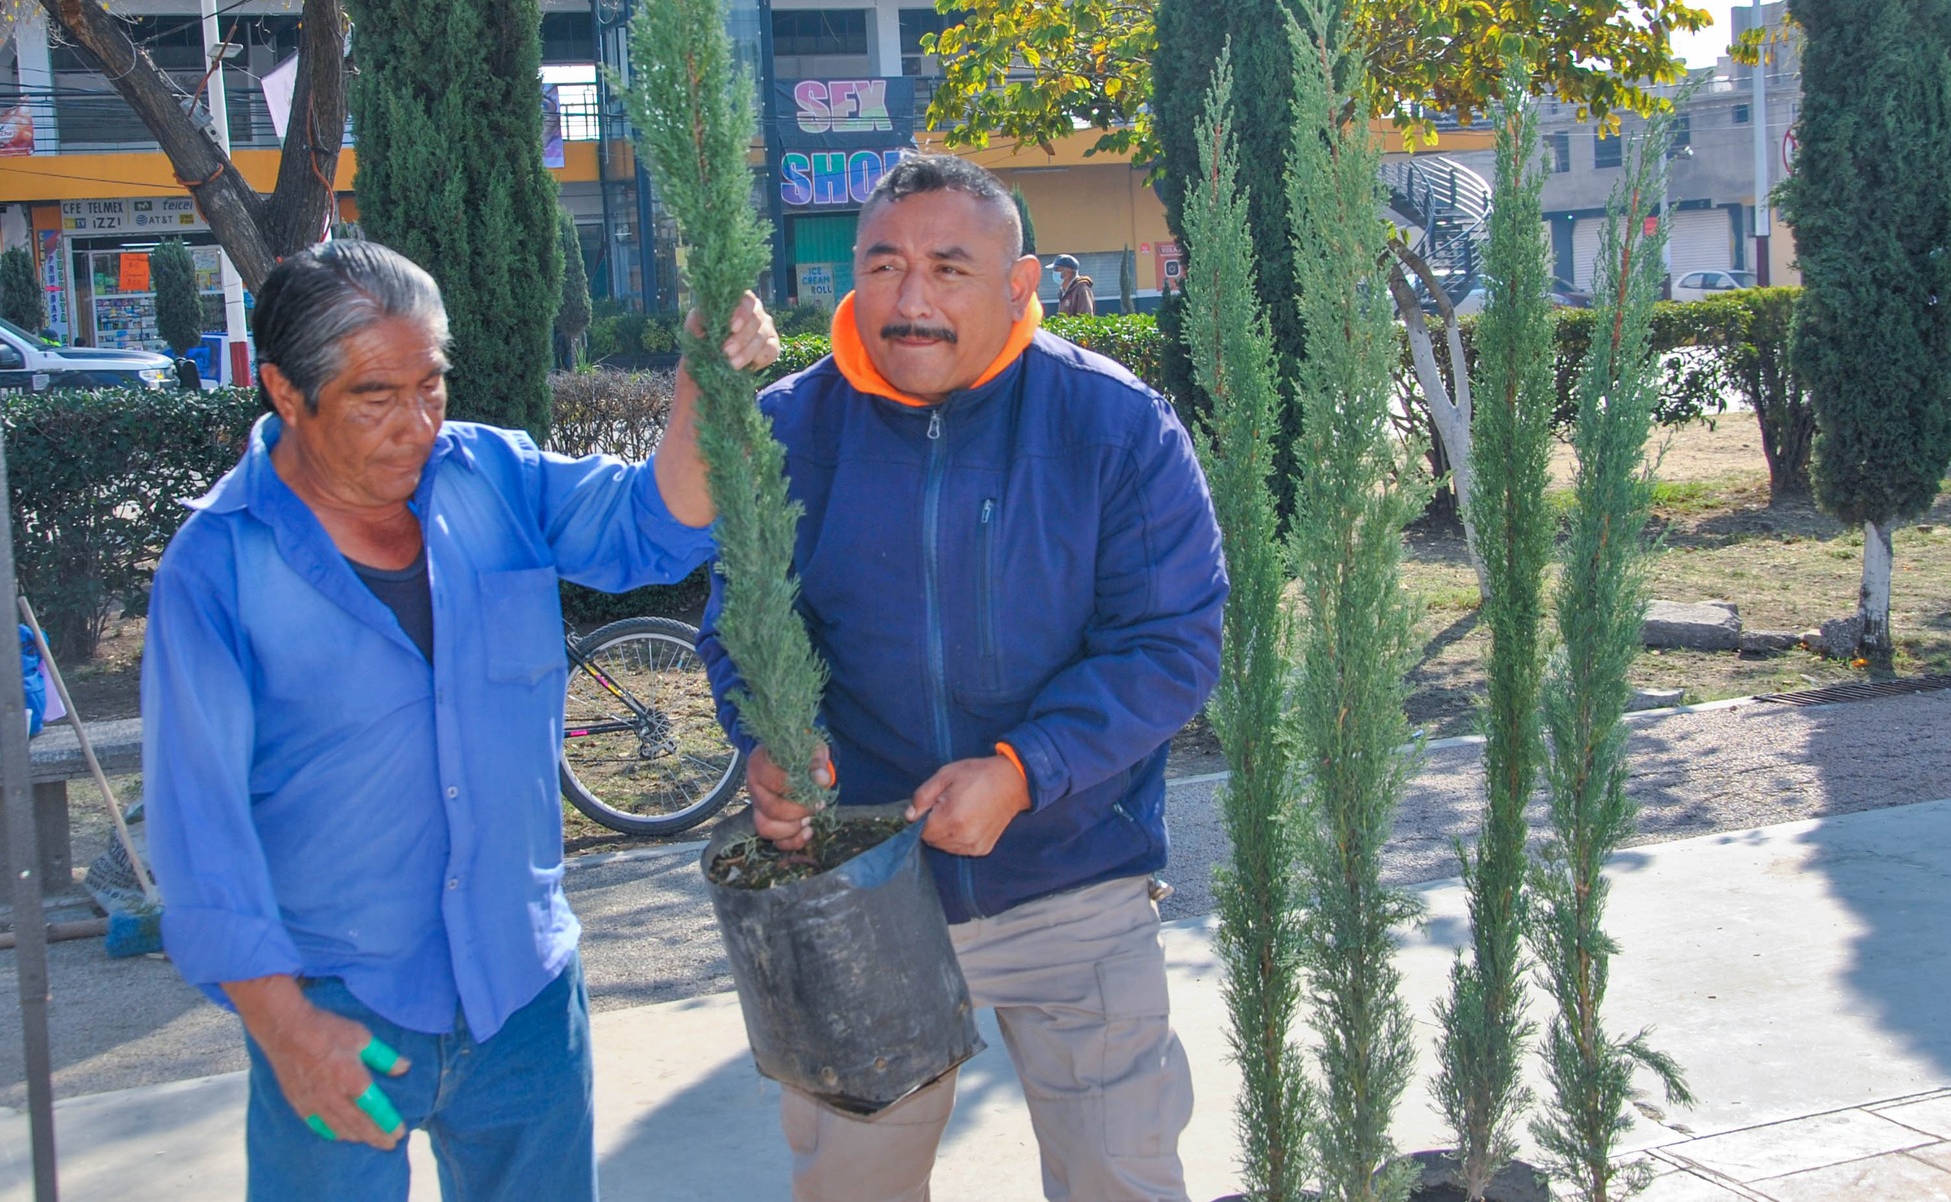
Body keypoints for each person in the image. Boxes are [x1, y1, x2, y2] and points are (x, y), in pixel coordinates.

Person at [141, 240, 778, 1202]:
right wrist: (287, 1031)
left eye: (431, 385)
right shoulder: (218, 566)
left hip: (521, 999)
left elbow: (653, 525)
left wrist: (701, 374)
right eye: (374, 396)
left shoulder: (491, 477)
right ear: (283, 390)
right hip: (340, 1011)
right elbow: (201, 832)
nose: (417, 424)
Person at [700, 154, 1226, 1202]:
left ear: (1020, 283)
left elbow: (1171, 640)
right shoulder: (785, 430)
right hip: (857, 889)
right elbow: (743, 624)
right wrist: (763, 734)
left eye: (949, 268)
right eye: (883, 265)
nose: (910, 298)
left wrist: (1024, 771)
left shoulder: (1111, 424)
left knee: (1119, 1179)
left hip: (1071, 875)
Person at [1050, 251, 1096, 316]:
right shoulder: (1063, 291)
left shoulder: (1082, 290)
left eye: (1056, 269)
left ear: (1067, 272)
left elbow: (1085, 318)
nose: (1053, 272)